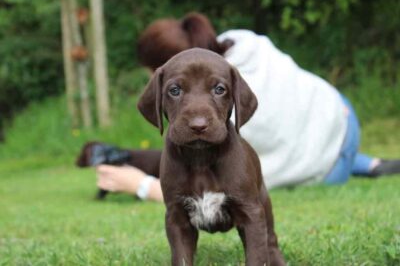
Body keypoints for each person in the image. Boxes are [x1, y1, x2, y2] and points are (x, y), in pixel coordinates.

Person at [77, 12, 400, 202]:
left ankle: (351, 163)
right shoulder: (245, 42)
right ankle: (367, 164)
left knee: (199, 155)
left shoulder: (231, 106)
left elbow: (217, 191)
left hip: (328, 167)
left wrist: (140, 185)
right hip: (340, 112)